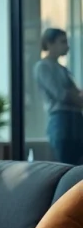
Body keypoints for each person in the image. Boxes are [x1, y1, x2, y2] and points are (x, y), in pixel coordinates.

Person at [34, 28, 83, 164]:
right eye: (63, 42)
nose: (67, 46)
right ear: (50, 44)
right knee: (66, 163)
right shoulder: (43, 66)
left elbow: (74, 92)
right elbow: (62, 94)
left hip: (75, 118)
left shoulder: (63, 69)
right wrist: (77, 98)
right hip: (61, 119)